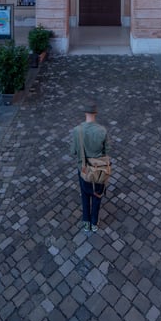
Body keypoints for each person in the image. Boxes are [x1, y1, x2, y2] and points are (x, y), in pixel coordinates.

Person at [69, 98, 109, 233]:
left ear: (85, 112)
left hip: (83, 169)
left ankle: (86, 221)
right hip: (99, 170)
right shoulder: (102, 130)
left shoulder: (76, 130)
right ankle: (94, 222)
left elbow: (72, 151)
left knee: (85, 195)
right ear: (95, 113)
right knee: (97, 195)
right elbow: (106, 152)